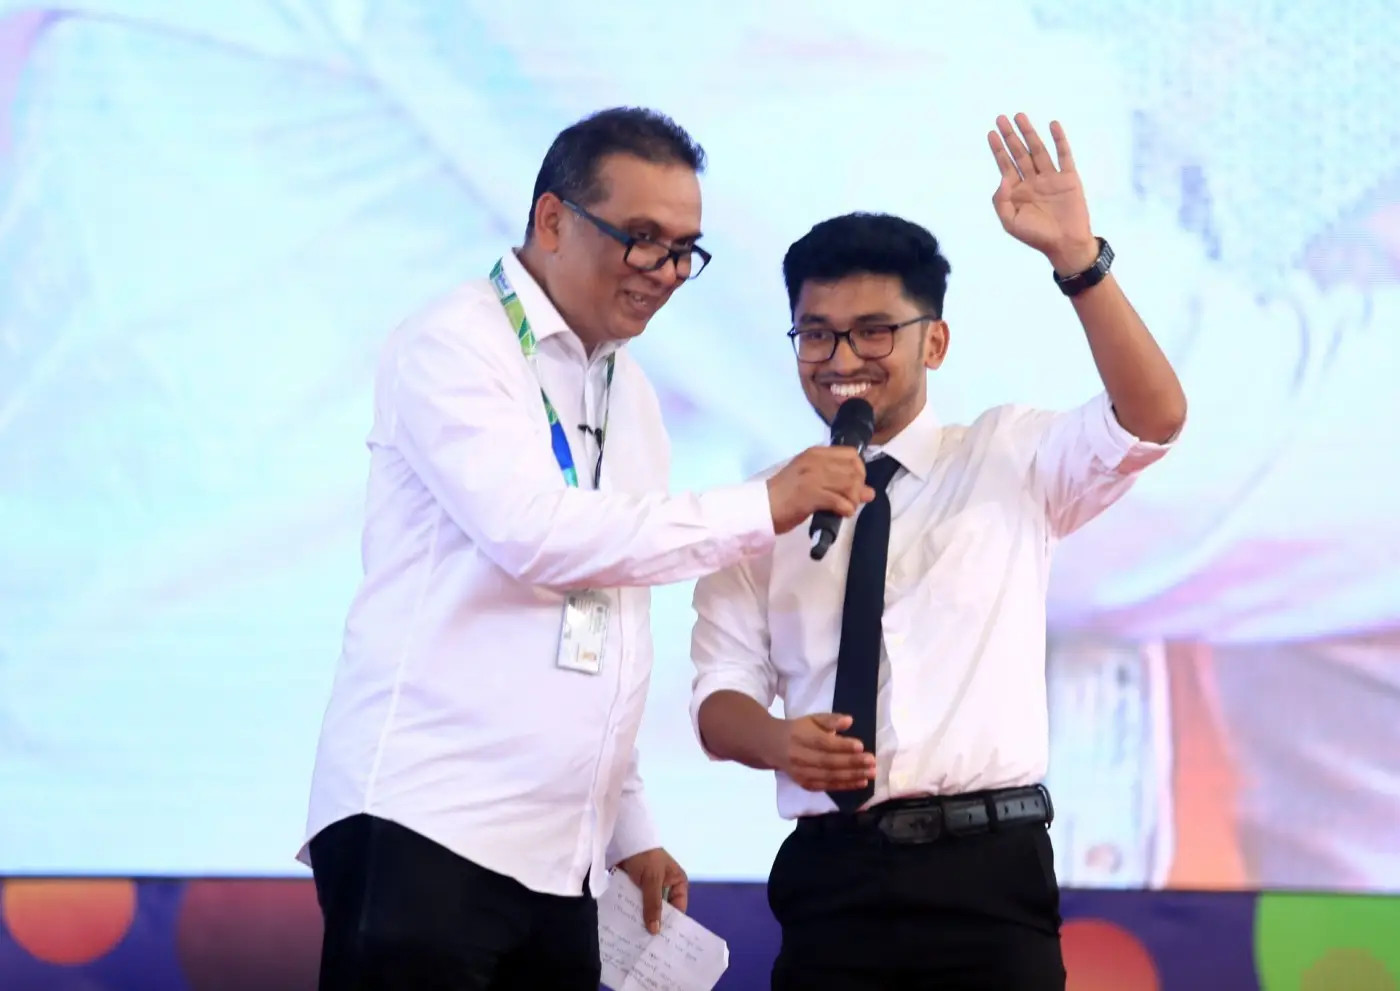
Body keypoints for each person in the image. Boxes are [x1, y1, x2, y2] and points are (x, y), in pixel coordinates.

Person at [300, 106, 872, 991]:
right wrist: (762, 506)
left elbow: (607, 619)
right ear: (552, 219)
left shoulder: (626, 390)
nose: (665, 271)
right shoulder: (455, 342)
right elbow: (532, 534)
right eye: (641, 238)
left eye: (684, 249)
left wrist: (626, 826)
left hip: (561, 858)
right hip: (428, 824)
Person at [689, 113, 1187, 990]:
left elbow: (1154, 417)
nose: (842, 357)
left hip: (987, 875)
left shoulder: (1007, 455)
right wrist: (778, 740)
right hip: (832, 878)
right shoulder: (763, 507)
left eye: (874, 331)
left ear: (936, 340)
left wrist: (1080, 262)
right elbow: (717, 698)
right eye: (816, 333)